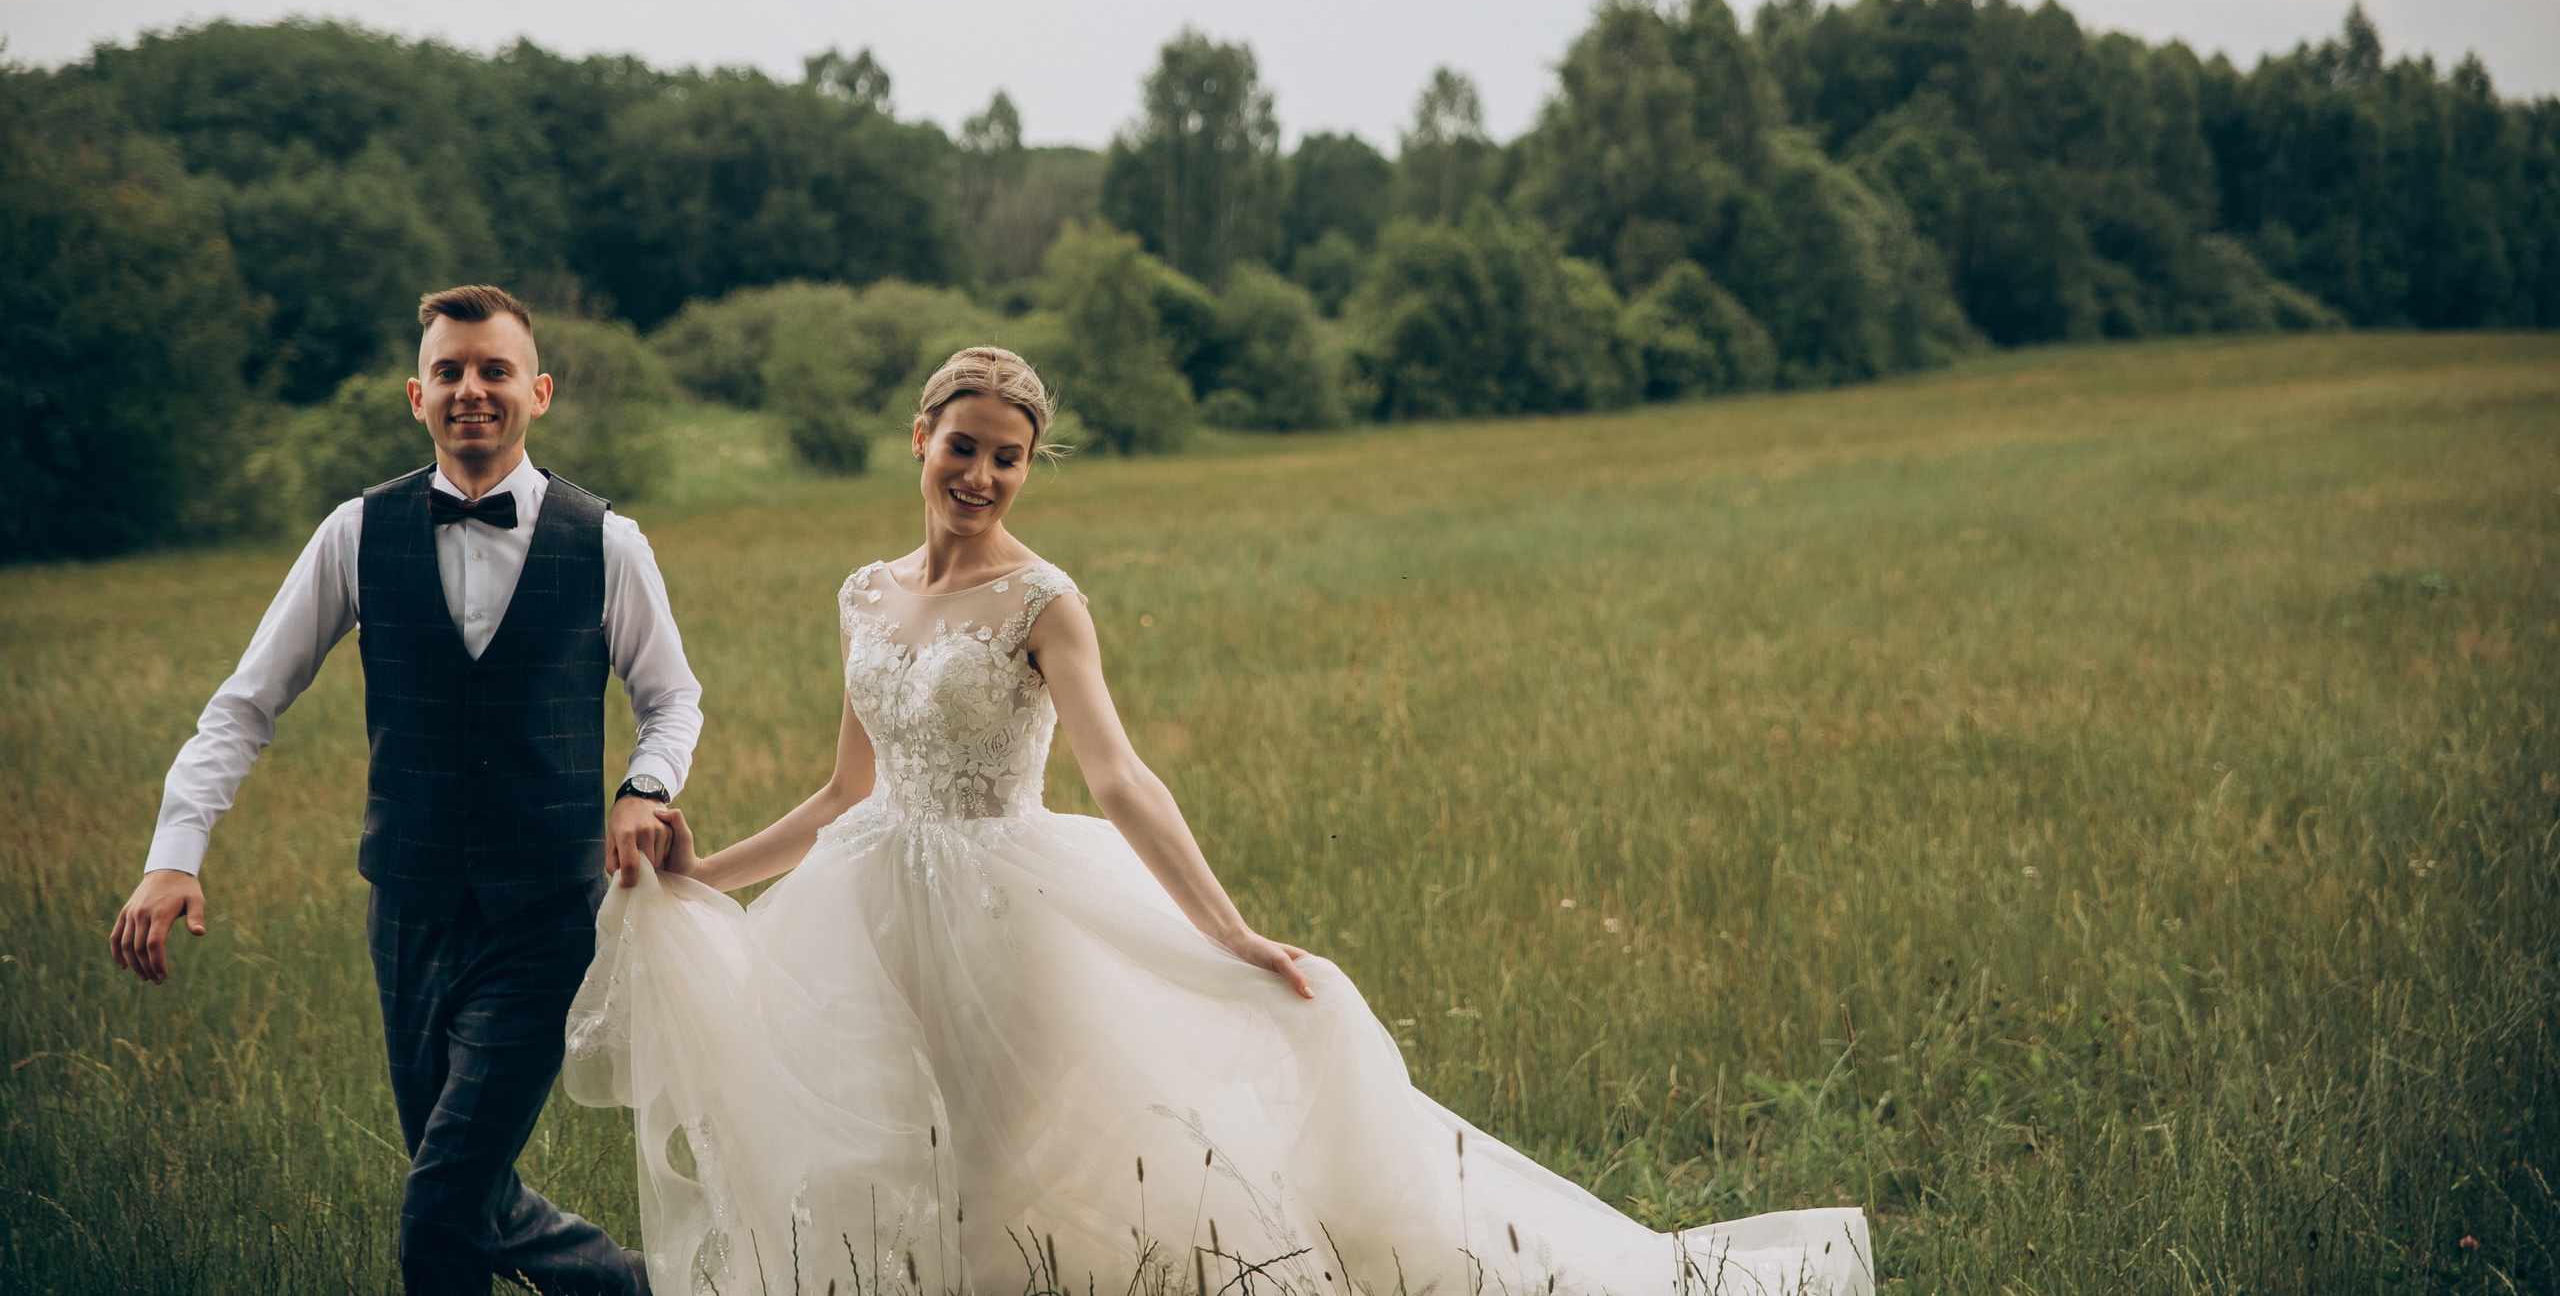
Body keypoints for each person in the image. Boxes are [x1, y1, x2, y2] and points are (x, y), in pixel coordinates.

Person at [565, 346, 1872, 1296]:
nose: (980, 473)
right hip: (868, 899)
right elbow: (845, 790)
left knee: (1002, 1146)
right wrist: (706, 875)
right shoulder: (862, 595)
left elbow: (1123, 775)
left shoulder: (1045, 601)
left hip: (1004, 901)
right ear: (920, 441)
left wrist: (1234, 932)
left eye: (1006, 457)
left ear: (1029, 468)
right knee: (894, 1146)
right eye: (961, 445)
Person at [109, 284, 703, 1296]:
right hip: (409, 914)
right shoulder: (354, 532)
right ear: (416, 394)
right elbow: (245, 703)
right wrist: (175, 852)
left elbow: (672, 698)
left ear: (539, 391)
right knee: (474, 1200)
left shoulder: (608, 541)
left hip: (545, 916)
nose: (471, 388)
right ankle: (656, 1288)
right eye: (450, 371)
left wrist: (644, 787)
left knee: (435, 1213)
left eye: (494, 369)